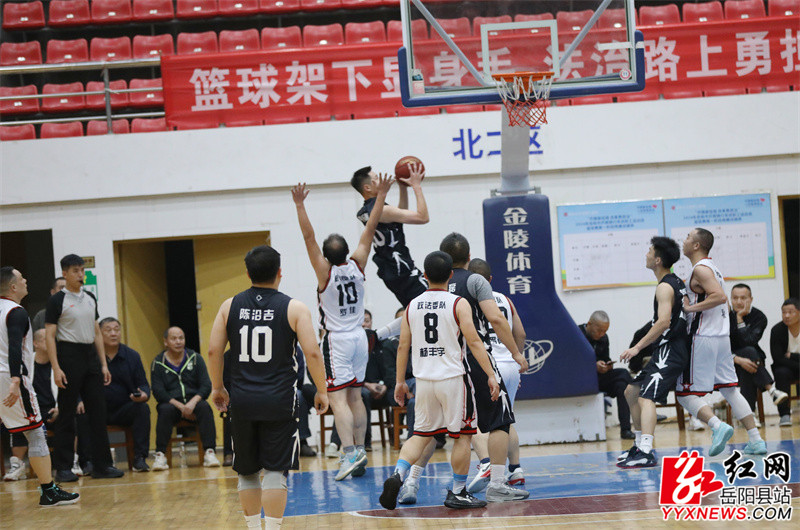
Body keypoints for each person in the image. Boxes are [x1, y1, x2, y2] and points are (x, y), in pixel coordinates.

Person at [206, 245, 329, 530]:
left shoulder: (229, 306)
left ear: (248, 273)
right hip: (279, 401)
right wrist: (322, 390)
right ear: (279, 273)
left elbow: (213, 351)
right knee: (275, 471)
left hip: (242, 400)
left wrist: (217, 387)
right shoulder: (295, 308)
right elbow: (313, 353)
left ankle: (252, 527)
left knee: (247, 472)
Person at [379, 251, 498, 511]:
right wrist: (490, 374)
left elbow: (403, 347)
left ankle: (398, 474)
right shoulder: (458, 303)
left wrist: (399, 382)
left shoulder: (412, 306)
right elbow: (474, 342)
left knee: (420, 435)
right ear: (451, 275)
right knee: (463, 436)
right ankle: (458, 491)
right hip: (453, 379)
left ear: (424, 275)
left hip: (424, 381)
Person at [291, 175, 391, 481]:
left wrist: (299, 205)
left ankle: (349, 453)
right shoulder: (358, 263)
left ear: (326, 255)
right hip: (360, 337)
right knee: (355, 397)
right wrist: (381, 196)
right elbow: (370, 228)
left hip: (337, 340)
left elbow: (308, 238)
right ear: (346, 251)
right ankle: (359, 449)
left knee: (337, 399)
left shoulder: (325, 271)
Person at [440, 233, 529, 502]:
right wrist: (516, 353)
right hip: (477, 359)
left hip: (448, 364)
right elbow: (497, 319)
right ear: (469, 257)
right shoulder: (475, 281)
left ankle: (444, 486)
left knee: (459, 430)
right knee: (501, 421)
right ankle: (498, 482)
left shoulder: (436, 285)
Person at [675, 228, 766, 456]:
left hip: (703, 337)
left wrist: (689, 309)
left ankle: (717, 426)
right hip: (721, 338)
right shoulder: (713, 268)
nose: (684, 240)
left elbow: (720, 297)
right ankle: (756, 440)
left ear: (697, 245)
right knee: (731, 390)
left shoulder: (701, 269)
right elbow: (723, 303)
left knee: (684, 393)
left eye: (688, 237)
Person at [0, 266, 79, 505]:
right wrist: (16, 379)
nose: (26, 280)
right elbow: (15, 346)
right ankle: (49, 491)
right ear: (13, 286)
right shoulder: (15, 312)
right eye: (21, 278)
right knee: (35, 432)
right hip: (10, 378)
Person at [45, 254, 124, 481]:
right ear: (65, 273)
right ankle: (63, 468)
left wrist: (103, 364)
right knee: (67, 413)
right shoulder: (57, 300)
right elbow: (49, 336)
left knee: (98, 412)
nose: (81, 275)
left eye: (82, 270)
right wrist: (56, 367)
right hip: (68, 355)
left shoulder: (89, 297)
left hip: (90, 356)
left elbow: (96, 331)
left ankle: (102, 466)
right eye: (76, 271)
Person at [617, 237, 689, 468]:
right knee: (631, 391)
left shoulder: (665, 287)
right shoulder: (675, 282)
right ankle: (639, 445)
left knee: (645, 397)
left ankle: (646, 451)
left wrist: (637, 347)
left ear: (657, 260)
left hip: (672, 350)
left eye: (649, 251)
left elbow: (663, 322)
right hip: (666, 349)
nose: (646, 254)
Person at [464, 258, 527, 494]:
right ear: (490, 279)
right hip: (510, 364)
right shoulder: (506, 299)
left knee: (477, 421)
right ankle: (516, 469)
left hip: (489, 364)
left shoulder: (468, 299)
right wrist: (516, 356)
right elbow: (521, 333)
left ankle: (487, 463)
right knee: (505, 420)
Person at [351, 164, 429, 307]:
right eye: (376, 178)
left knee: (414, 310)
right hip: (402, 269)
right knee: (435, 301)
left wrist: (403, 188)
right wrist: (416, 186)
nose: (381, 180)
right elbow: (423, 217)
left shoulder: (367, 210)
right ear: (367, 187)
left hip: (390, 271)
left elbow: (399, 216)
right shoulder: (382, 210)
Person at [150, 326, 220, 470]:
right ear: (166, 342)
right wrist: (181, 406)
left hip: (193, 402)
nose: (178, 341)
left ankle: (210, 452)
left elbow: (206, 385)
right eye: (174, 338)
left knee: (205, 407)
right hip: (172, 404)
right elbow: (158, 391)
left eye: (181, 338)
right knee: (165, 410)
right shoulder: (158, 363)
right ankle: (160, 455)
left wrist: (192, 403)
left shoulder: (195, 358)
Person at [4, 328, 59, 481]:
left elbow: (68, 389)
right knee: (19, 420)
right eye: (46, 339)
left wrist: (60, 407)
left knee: (69, 418)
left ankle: (70, 462)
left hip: (52, 410)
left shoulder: (58, 363)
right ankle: (17, 465)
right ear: (35, 343)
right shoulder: (26, 362)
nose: (51, 342)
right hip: (30, 408)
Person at [100, 317, 152, 472]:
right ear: (99, 334)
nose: (113, 333)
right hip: (99, 409)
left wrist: (144, 394)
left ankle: (140, 458)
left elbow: (143, 384)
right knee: (82, 413)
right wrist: (80, 400)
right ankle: (89, 462)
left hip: (124, 408)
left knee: (142, 409)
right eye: (108, 330)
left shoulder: (132, 356)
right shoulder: (92, 356)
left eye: (116, 329)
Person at [729, 284, 788, 414]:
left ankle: (748, 414)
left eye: (743, 298)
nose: (738, 301)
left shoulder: (759, 317)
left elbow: (748, 341)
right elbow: (720, 347)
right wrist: (737, 359)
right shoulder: (724, 316)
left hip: (751, 362)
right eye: (735, 298)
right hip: (729, 363)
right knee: (750, 356)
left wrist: (740, 319)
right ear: (730, 299)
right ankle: (771, 390)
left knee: (748, 359)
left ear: (751, 299)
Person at [579, 310, 635, 440]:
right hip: (582, 379)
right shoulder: (577, 334)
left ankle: (625, 430)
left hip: (599, 378)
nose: (602, 334)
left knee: (622, 383)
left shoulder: (604, 338)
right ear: (589, 324)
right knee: (625, 378)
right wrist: (593, 366)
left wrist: (607, 366)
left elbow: (606, 359)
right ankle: (640, 401)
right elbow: (572, 363)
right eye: (599, 330)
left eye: (605, 331)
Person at [770, 298, 800, 427]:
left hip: (792, 363)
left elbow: (785, 357)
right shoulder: (777, 330)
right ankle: (784, 415)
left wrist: (792, 356)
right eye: (784, 312)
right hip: (786, 368)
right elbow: (778, 359)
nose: (786, 315)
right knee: (781, 373)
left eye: (790, 312)